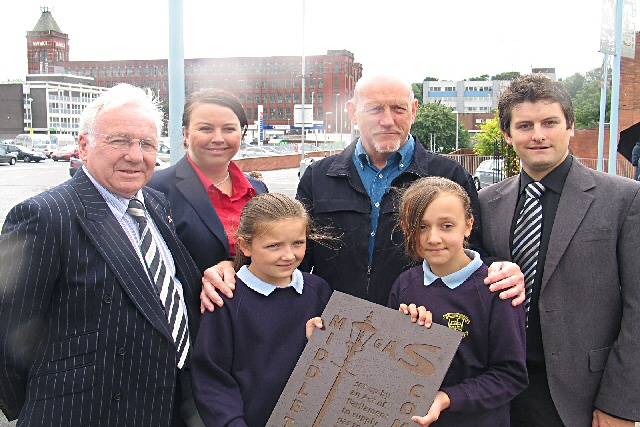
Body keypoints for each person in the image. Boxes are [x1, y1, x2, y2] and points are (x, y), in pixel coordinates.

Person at [200, 75, 525, 311]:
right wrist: (236, 269)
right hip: (333, 328)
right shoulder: (319, 177)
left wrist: (501, 268)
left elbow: (472, 252)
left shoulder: (448, 175)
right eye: (374, 109)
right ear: (353, 112)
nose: (387, 120)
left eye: (398, 109)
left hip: (419, 329)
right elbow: (292, 256)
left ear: (414, 110)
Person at [0, 84, 204, 427]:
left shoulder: (155, 204)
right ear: (84, 145)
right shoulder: (44, 217)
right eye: (120, 140)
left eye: (147, 144)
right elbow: (8, 338)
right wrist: (48, 407)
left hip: (164, 406)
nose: (135, 155)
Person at [479, 74, 640, 426]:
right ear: (508, 135)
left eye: (550, 122)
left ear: (570, 126)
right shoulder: (486, 203)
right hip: (499, 392)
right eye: (525, 125)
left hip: (581, 395)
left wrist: (620, 404)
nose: (538, 134)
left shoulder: (624, 199)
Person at [388, 177, 527, 426]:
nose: (433, 238)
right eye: (421, 226)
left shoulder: (497, 288)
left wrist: (445, 398)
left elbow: (510, 375)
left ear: (468, 225)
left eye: (447, 226)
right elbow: (390, 362)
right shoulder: (404, 284)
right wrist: (405, 334)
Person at [191, 193, 332, 427]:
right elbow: (212, 377)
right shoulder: (225, 298)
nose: (288, 255)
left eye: (298, 243)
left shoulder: (318, 290)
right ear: (245, 245)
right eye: (274, 246)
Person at [149, 89, 267, 278]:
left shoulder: (257, 190)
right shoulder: (155, 189)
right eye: (206, 129)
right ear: (185, 134)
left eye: (229, 129)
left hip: (255, 303)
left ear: (242, 133)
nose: (218, 138)